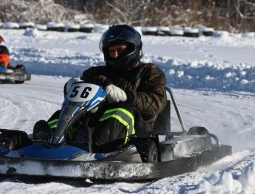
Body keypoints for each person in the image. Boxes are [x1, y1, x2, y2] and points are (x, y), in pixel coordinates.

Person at [34, 24, 167, 152]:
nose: (115, 55)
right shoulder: (95, 73)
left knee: (119, 112)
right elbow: (77, 97)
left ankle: (96, 146)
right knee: (65, 115)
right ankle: (48, 140)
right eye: (111, 51)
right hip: (93, 123)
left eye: (119, 50)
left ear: (133, 49)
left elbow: (156, 103)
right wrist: (70, 87)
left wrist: (126, 96)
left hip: (137, 126)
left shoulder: (149, 71)